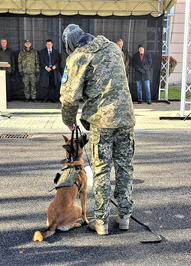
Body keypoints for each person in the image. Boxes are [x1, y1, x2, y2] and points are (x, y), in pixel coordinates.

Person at [60, 24, 135, 235]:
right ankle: (124, 217)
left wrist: (69, 120)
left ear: (71, 44)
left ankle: (101, 222)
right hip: (126, 118)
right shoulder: (113, 48)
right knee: (125, 169)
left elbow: (68, 96)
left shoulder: (78, 57)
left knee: (102, 170)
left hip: (102, 122)